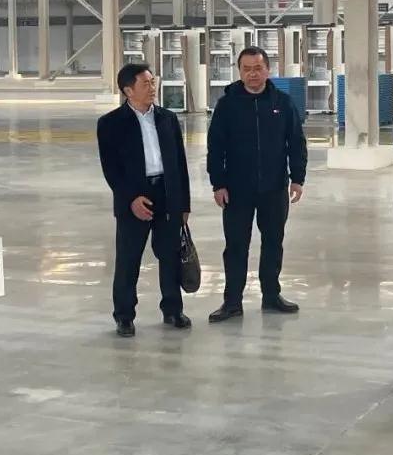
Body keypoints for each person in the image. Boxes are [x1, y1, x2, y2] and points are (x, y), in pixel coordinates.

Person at [206, 46, 307, 323]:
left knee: (273, 242)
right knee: (236, 246)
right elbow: (215, 147)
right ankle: (232, 302)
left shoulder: (282, 103)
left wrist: (297, 178)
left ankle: (271, 295)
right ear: (239, 72)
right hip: (236, 190)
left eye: (258, 68)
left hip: (274, 188)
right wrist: (218, 184)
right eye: (247, 69)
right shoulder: (227, 105)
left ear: (268, 70)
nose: (253, 74)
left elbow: (296, 143)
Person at [97, 63, 192, 337]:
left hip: (167, 194)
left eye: (153, 82)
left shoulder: (167, 119)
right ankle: (124, 316)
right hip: (135, 198)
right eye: (145, 84)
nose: (152, 88)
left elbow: (180, 164)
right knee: (129, 260)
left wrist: (183, 203)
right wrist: (131, 199)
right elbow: (111, 169)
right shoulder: (111, 124)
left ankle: (173, 309)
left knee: (170, 255)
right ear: (128, 91)